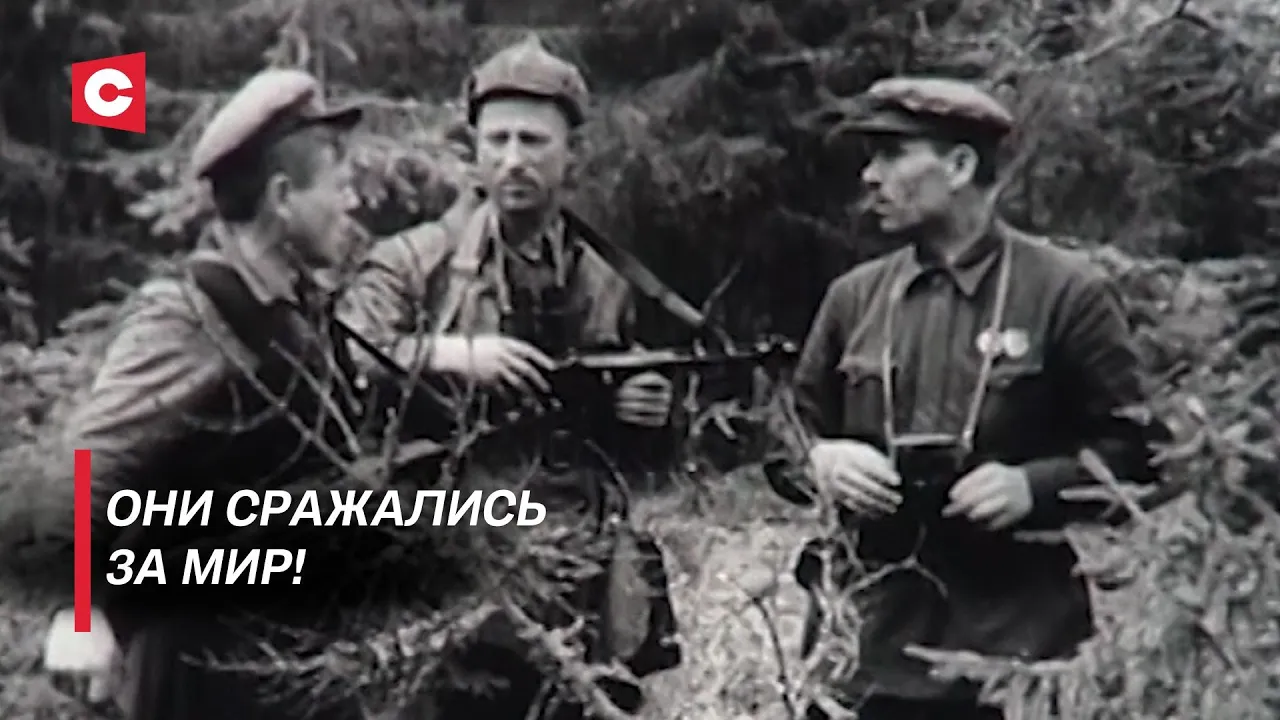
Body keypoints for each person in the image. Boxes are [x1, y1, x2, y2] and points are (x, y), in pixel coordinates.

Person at [773, 77, 1169, 720]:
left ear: (959, 166)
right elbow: (784, 433)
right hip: (868, 651)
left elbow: (1142, 453)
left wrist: (1035, 487)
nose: (870, 176)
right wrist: (820, 460)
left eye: (892, 154)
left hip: (1017, 652)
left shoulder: (1067, 293)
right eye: (870, 157)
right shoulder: (854, 298)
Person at [339, 34, 680, 719]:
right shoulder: (416, 261)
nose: (513, 159)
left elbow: (638, 449)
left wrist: (648, 406)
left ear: (572, 153)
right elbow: (346, 352)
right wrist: (449, 353)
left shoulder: (605, 277)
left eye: (534, 141)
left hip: (576, 553)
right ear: (474, 148)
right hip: (450, 553)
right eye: (497, 140)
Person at [62, 67, 368, 720]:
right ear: (282, 197)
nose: (354, 203)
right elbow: (86, 462)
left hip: (288, 666)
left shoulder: (293, 308)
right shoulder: (192, 316)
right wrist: (82, 611)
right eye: (339, 185)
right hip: (201, 674)